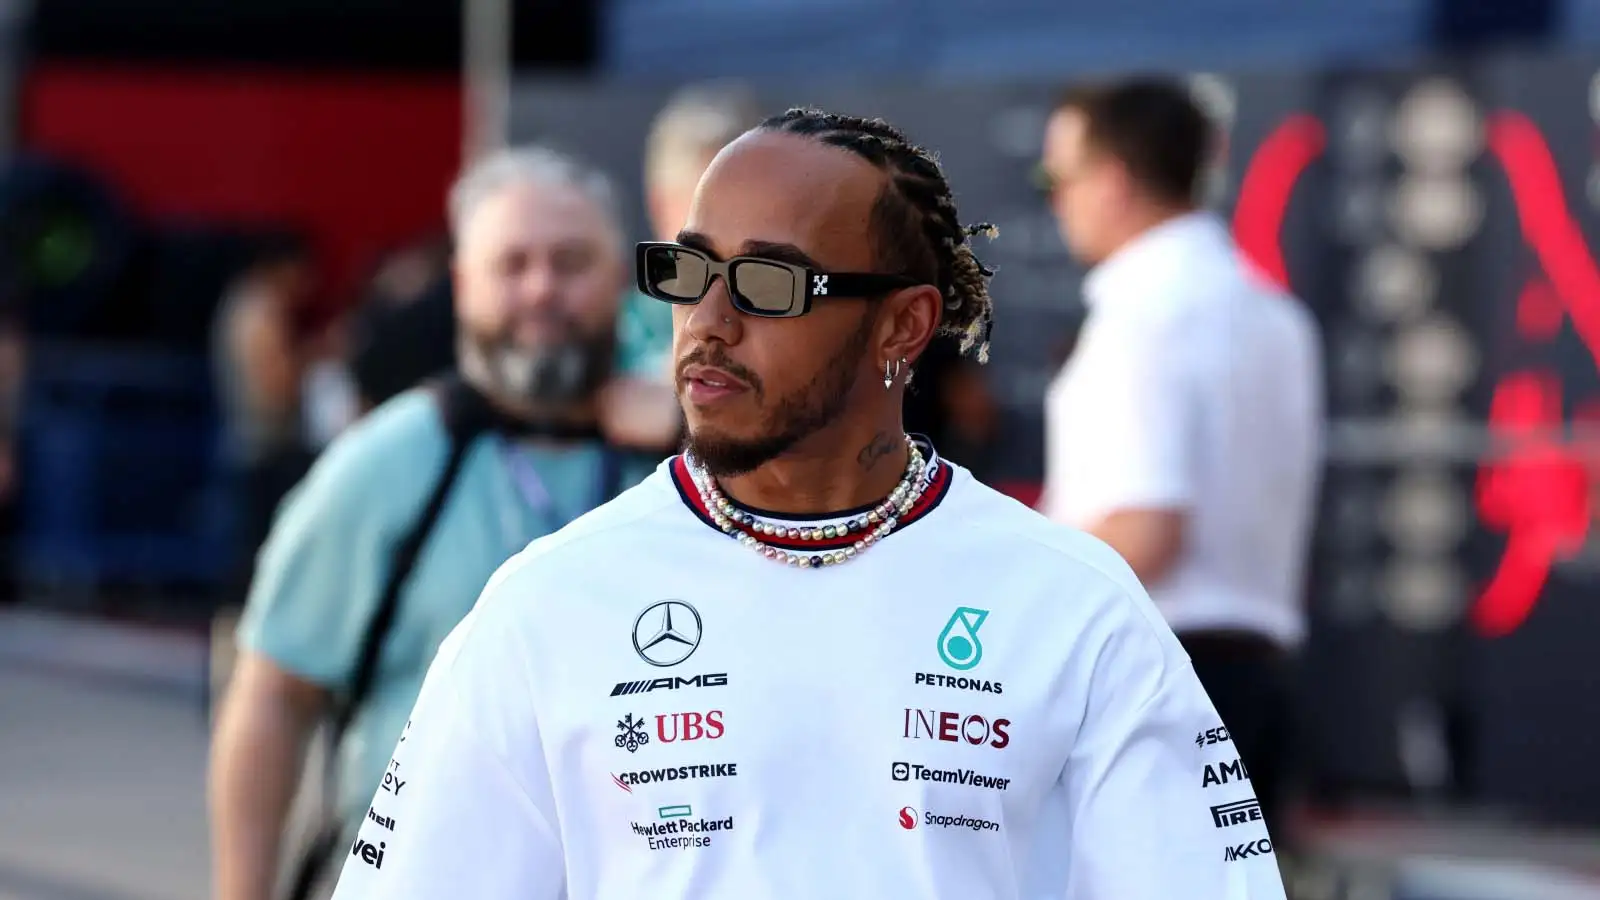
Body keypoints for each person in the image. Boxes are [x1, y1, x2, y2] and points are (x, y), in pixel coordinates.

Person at [329, 108, 1288, 899]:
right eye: (691, 270)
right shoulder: (544, 607)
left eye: (767, 283)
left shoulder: (1076, 608)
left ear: (903, 326)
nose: (708, 321)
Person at [208, 146, 659, 900]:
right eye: (512, 265)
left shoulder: (686, 464)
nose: (542, 289)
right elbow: (274, 693)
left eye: (571, 261)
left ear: (621, 278)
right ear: (462, 286)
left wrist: (691, 431)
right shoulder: (388, 464)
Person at [1037, 77, 1324, 837]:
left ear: (1112, 183)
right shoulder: (1275, 315)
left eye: (1055, 181)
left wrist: (1009, 587)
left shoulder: (1142, 315)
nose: (1054, 202)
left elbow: (1146, 527)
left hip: (1153, 690)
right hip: (1257, 686)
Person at [599, 82, 763, 452]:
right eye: (705, 206)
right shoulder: (612, 328)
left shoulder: (788, 309)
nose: (730, 227)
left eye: (746, 204)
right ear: (661, 206)